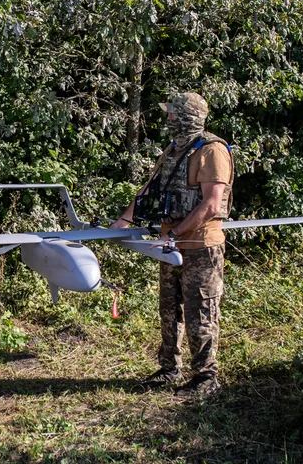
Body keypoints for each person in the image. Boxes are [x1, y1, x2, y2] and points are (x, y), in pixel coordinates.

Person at [112, 92, 234, 397]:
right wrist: (124, 221)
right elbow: (150, 190)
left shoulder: (212, 151)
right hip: (172, 244)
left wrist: (175, 234)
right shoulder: (173, 150)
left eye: (173, 114)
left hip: (200, 245)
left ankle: (206, 377)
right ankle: (169, 369)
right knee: (169, 309)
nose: (168, 119)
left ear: (187, 117)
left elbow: (211, 204)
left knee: (200, 311)